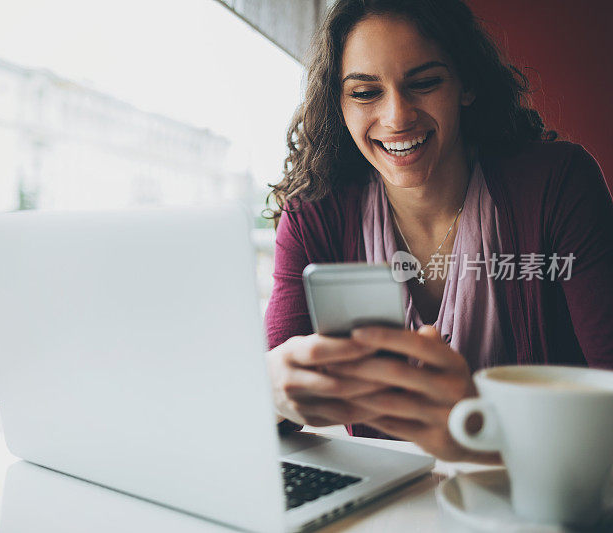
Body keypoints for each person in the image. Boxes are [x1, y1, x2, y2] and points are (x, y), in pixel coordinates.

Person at [263, 0, 613, 463]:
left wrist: (478, 427)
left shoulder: (558, 185)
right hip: (394, 505)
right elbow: (266, 413)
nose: (396, 117)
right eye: (365, 93)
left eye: (424, 83)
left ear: (466, 84)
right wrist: (270, 393)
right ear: (339, 103)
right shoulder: (315, 214)